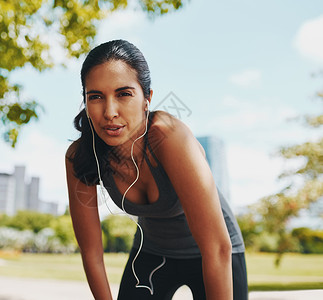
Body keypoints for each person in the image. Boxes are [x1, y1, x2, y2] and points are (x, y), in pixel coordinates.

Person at [65, 39, 248, 300]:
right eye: (95, 97)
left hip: (216, 251)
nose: (110, 112)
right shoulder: (80, 156)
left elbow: (216, 247)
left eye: (124, 94)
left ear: (147, 98)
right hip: (152, 254)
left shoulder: (169, 136)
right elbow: (92, 252)